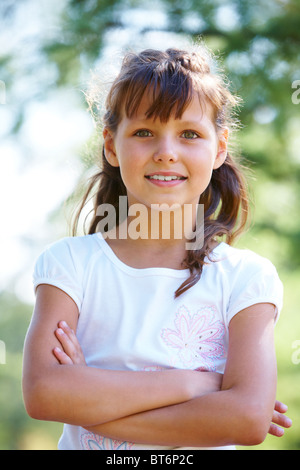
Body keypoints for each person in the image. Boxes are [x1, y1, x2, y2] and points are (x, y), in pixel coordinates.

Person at [22, 44, 292, 450]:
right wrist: (197, 384)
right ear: (112, 146)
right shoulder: (71, 266)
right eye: (144, 132)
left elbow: (248, 419)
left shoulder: (246, 279)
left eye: (189, 134)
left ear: (219, 148)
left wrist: (85, 399)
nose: (167, 152)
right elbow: (44, 393)